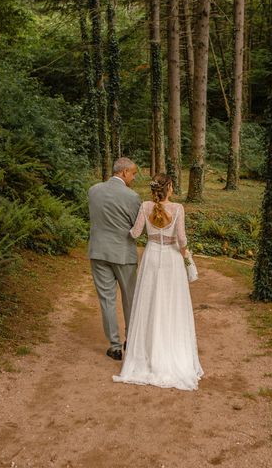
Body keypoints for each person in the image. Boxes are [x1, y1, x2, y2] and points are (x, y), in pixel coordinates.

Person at [113, 173, 204, 391]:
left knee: (150, 302)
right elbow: (181, 240)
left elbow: (134, 233)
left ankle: (147, 353)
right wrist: (188, 259)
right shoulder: (178, 209)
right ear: (169, 188)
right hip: (171, 259)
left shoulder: (145, 206)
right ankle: (170, 351)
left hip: (152, 257)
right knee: (172, 305)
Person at [88, 157, 141, 361]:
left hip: (99, 252)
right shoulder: (132, 197)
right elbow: (137, 228)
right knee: (130, 298)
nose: (134, 177)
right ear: (124, 172)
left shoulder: (93, 191)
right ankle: (131, 339)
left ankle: (115, 346)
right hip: (123, 253)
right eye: (133, 173)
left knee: (106, 300)